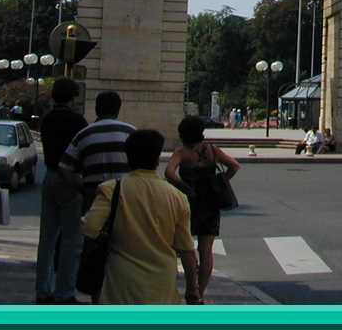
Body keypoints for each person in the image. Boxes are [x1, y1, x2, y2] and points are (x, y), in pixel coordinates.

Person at [83, 129, 200, 304]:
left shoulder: (110, 189)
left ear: (128, 157)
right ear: (157, 158)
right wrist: (192, 290)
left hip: (120, 285)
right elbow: (187, 251)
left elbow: (90, 229)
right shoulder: (177, 197)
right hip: (162, 287)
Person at [165, 116, 242, 302]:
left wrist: (184, 186)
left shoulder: (182, 153)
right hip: (210, 202)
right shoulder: (211, 150)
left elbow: (169, 172)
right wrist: (220, 183)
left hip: (189, 203)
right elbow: (234, 165)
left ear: (182, 134)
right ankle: (200, 293)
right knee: (206, 250)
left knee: (185, 247)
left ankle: (191, 288)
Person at [35, 78, 89, 305]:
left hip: (49, 176)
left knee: (47, 238)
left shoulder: (46, 120)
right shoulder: (78, 121)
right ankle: (64, 292)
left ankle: (42, 290)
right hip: (70, 179)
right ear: (73, 97)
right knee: (70, 240)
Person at [60, 91, 135, 214]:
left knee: (92, 229)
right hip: (125, 193)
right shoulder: (131, 132)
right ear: (118, 109)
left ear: (97, 109)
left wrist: (82, 187)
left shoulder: (84, 134)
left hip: (94, 194)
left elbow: (64, 167)